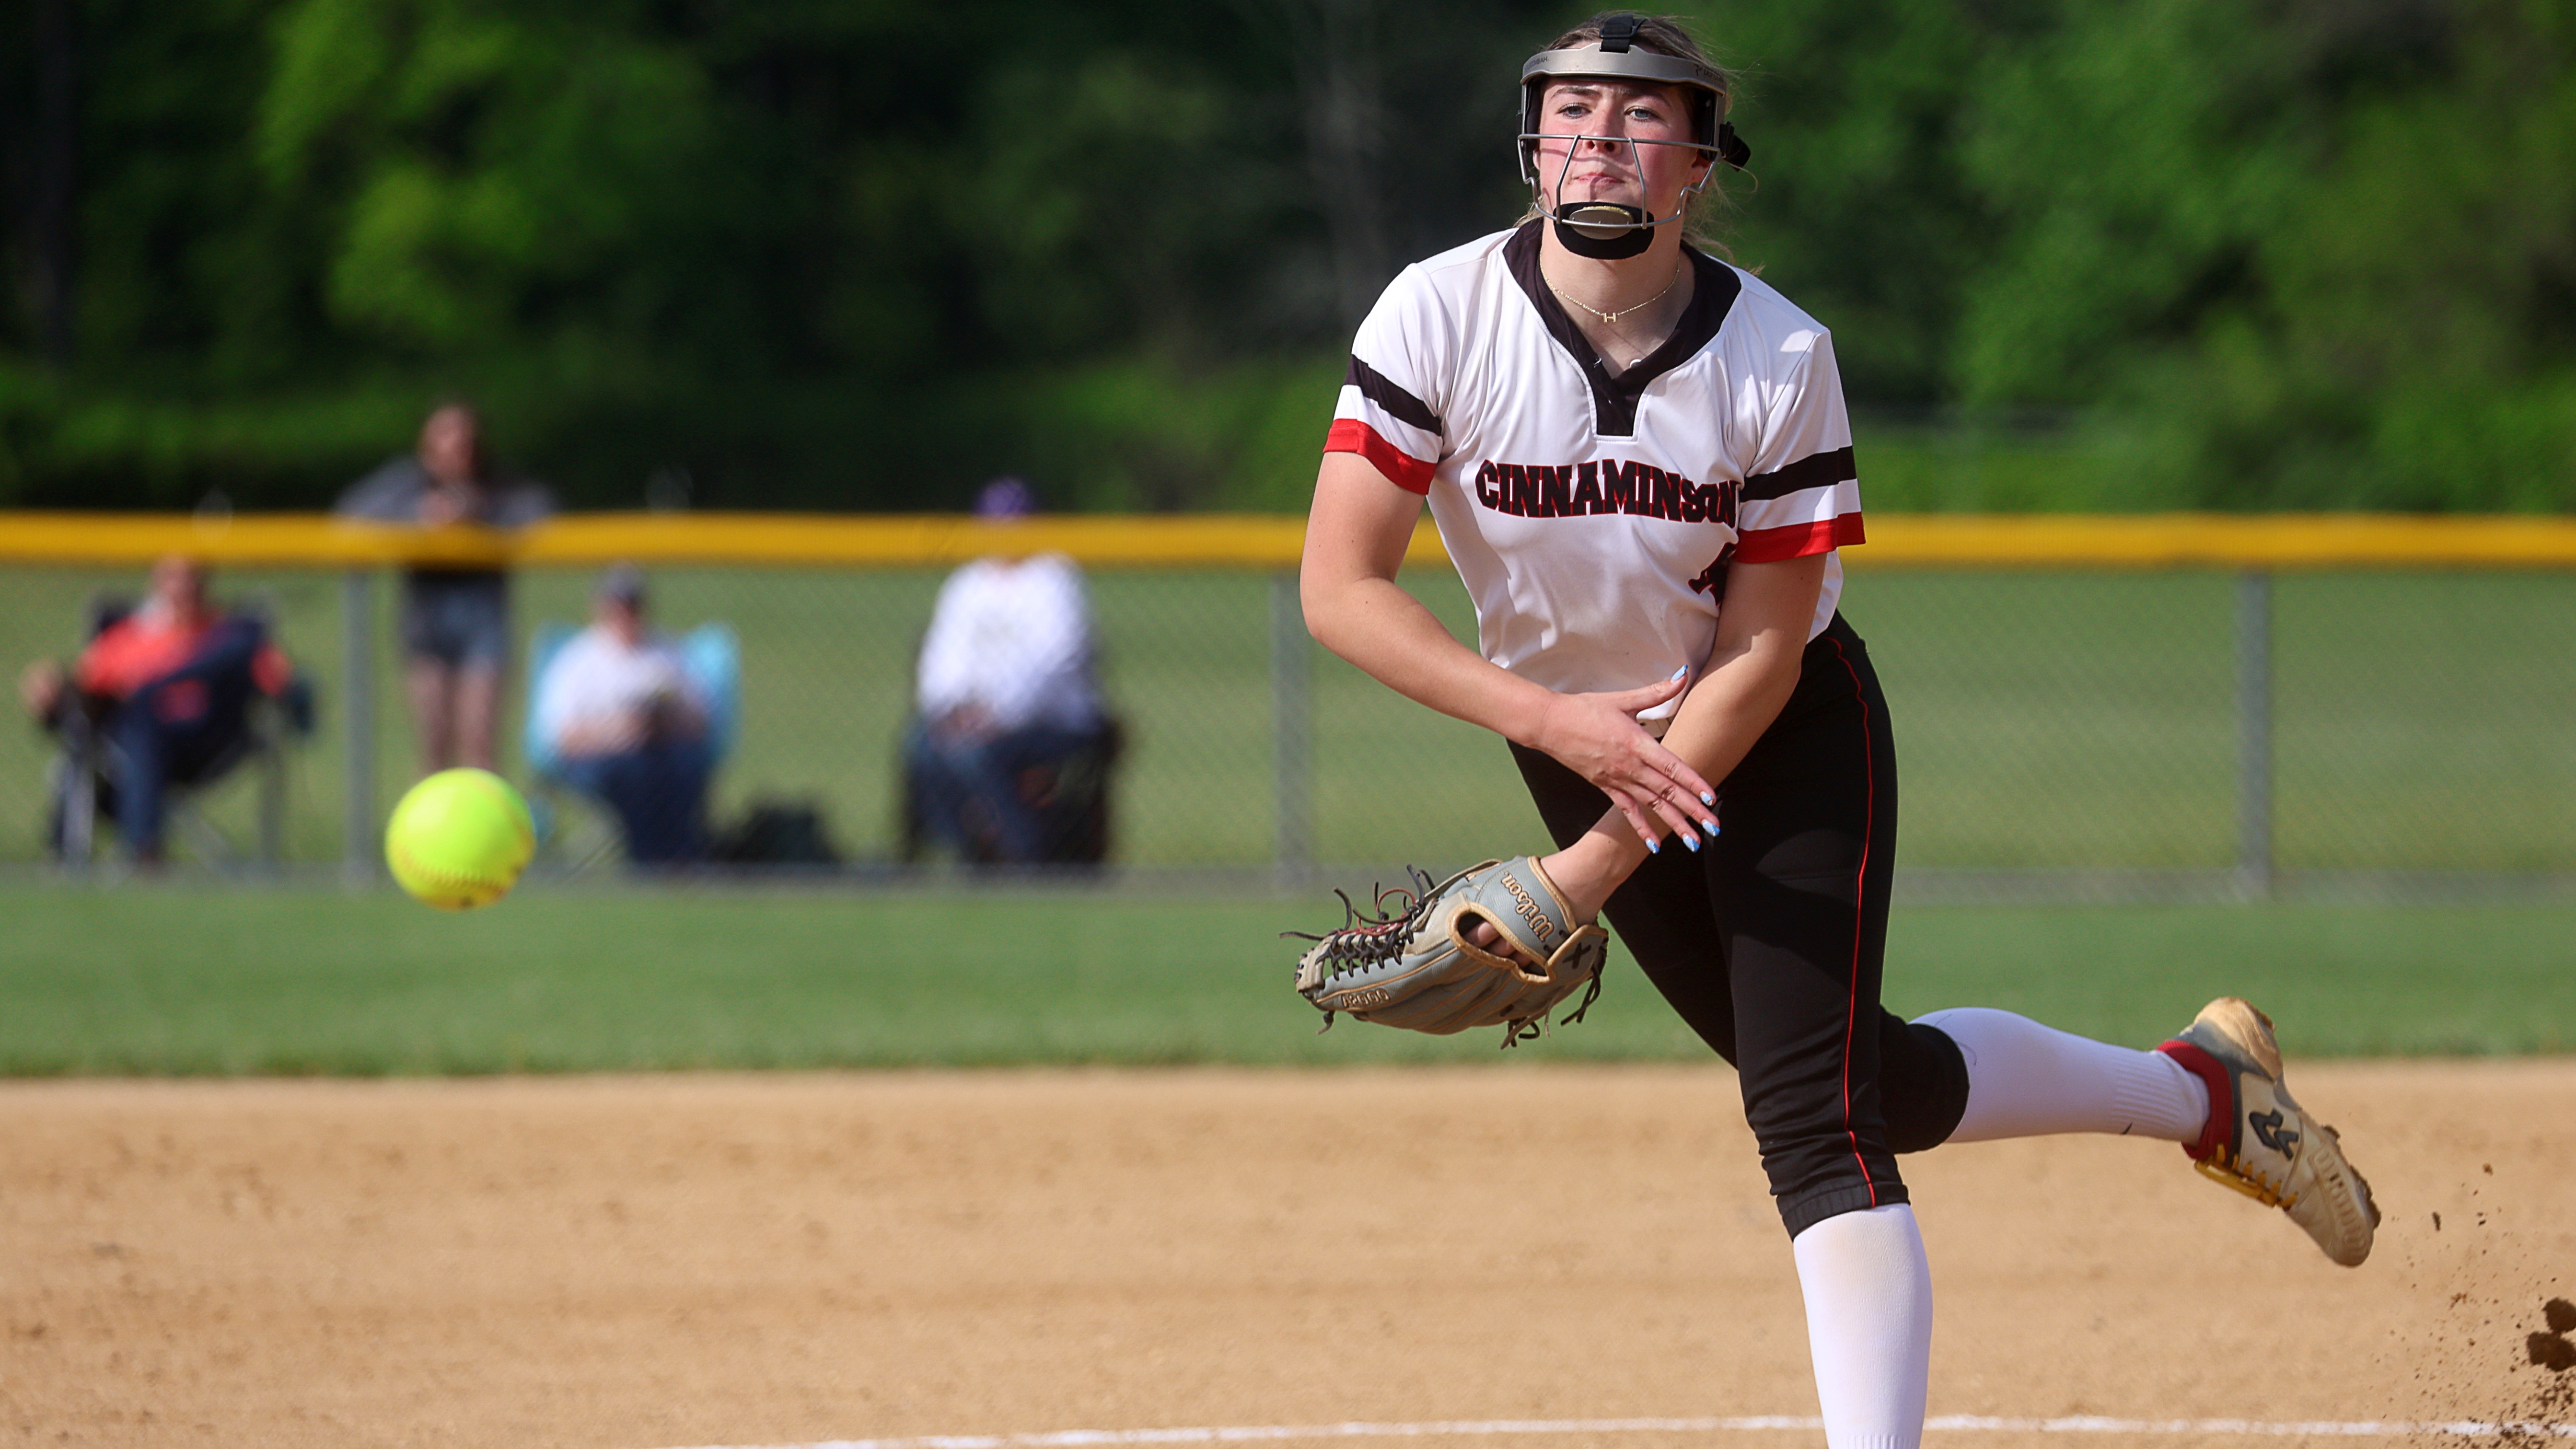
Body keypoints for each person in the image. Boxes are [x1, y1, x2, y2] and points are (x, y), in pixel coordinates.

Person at [1297, 15, 2379, 1449]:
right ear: (1529, 139)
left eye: (1640, 117)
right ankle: (2198, 1091)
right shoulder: (1435, 315)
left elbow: (1757, 641)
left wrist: (1597, 859)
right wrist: (1557, 727)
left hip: (1785, 725)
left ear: (1701, 156)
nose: (1600, 140)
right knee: (1858, 1079)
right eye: (1571, 111)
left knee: (1813, 1122)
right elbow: (1340, 586)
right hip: (1577, 734)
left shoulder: (1774, 349)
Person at [18, 555, 300, 863]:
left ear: (206, 583)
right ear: (156, 583)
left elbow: (280, 680)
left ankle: (143, 849)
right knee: (103, 738)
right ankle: (81, 852)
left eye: (192, 577)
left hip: (207, 741)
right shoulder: (133, 636)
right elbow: (88, 686)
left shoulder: (230, 635)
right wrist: (53, 686)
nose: (183, 588)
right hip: (132, 748)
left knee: (144, 722)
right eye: (173, 578)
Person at [902, 477, 1117, 866]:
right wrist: (951, 708)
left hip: (1052, 725)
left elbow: (1051, 661)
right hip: (972, 720)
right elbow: (943, 659)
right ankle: (968, 853)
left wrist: (997, 713)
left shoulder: (1054, 579)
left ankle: (1024, 857)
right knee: (922, 747)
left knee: (976, 755)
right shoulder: (968, 583)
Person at [337, 401, 552, 778]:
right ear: (427, 444)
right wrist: (419, 518)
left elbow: (542, 513)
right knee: (433, 741)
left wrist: (479, 514)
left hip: (484, 623)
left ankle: (487, 833)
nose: (457, 447)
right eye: (446, 437)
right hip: (426, 626)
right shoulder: (407, 483)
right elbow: (350, 512)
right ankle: (429, 834)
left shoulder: (498, 485)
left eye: (465, 439)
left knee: (479, 742)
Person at [531, 564, 714, 866]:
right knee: (632, 774)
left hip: (664, 750)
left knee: (685, 767)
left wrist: (661, 724)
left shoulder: (668, 653)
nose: (626, 614)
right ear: (601, 607)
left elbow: (701, 721)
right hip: (601, 759)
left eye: (632, 605)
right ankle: (646, 862)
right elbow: (561, 736)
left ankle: (683, 860)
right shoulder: (578, 659)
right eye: (618, 605)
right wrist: (621, 730)